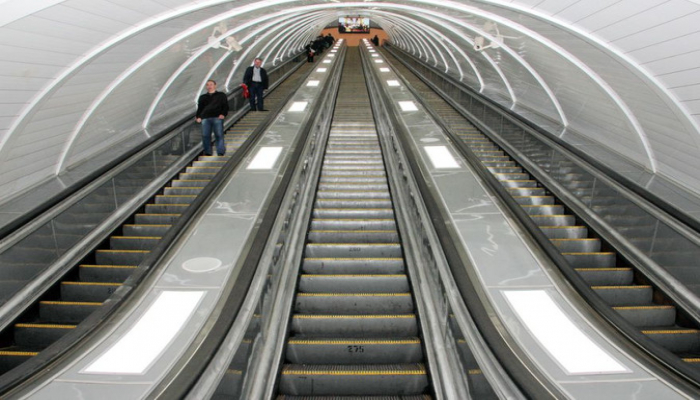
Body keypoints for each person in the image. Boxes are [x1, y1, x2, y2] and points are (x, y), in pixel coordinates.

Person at [196, 80, 228, 156]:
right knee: (205, 135)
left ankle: (220, 151)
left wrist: (223, 114)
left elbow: (225, 105)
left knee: (219, 134)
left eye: (211, 84)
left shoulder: (221, 95)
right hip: (205, 118)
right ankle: (208, 152)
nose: (209, 86)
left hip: (217, 117)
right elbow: (200, 108)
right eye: (207, 85)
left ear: (215, 85)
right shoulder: (203, 97)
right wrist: (198, 116)